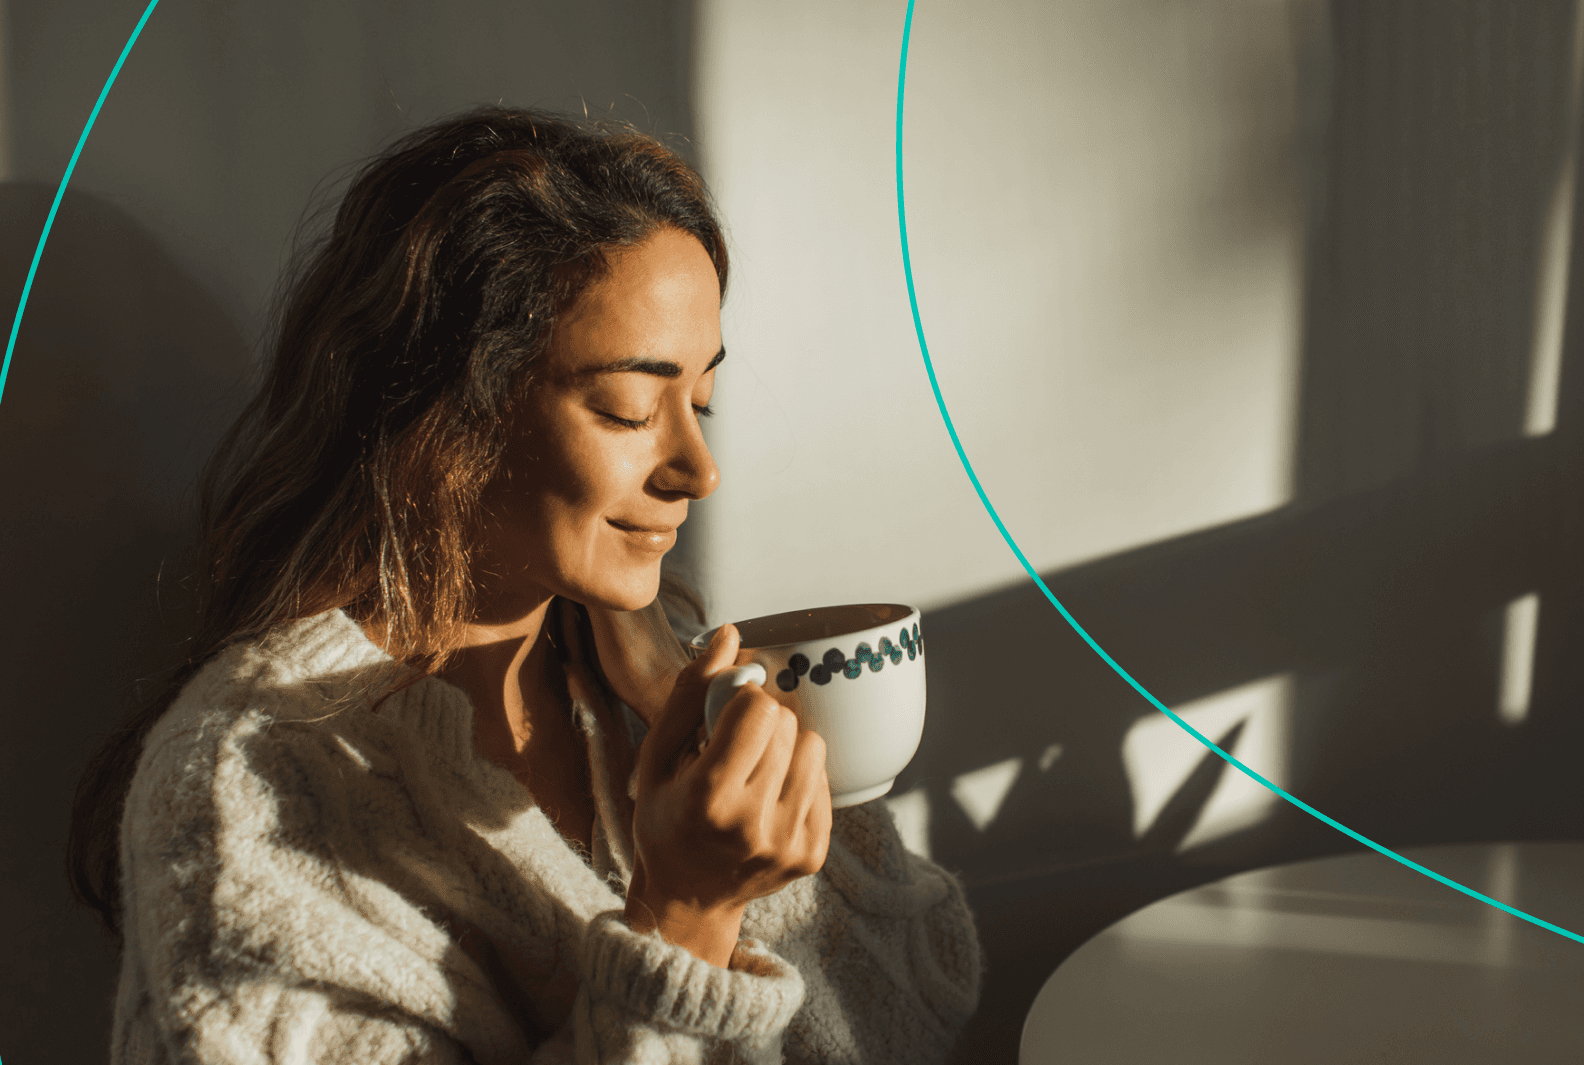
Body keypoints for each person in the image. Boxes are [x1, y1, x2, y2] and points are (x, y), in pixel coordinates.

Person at [64, 107, 982, 1064]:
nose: (698, 468)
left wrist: (703, 727)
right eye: (629, 409)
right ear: (449, 418)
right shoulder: (250, 787)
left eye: (701, 398)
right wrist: (685, 922)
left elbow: (923, 993)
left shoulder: (634, 669)